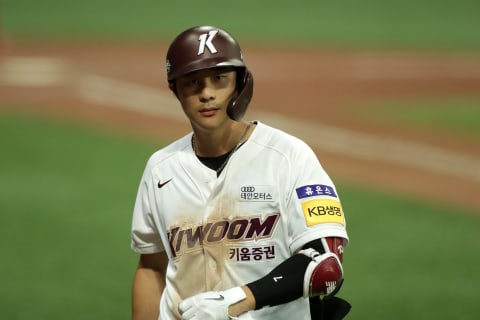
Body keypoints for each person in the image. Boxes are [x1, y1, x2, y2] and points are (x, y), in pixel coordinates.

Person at [130, 25, 350, 320]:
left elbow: (326, 266)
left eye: (218, 79)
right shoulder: (160, 169)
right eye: (192, 82)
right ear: (175, 90)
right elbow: (151, 267)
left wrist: (235, 301)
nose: (206, 94)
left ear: (240, 83)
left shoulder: (288, 157)